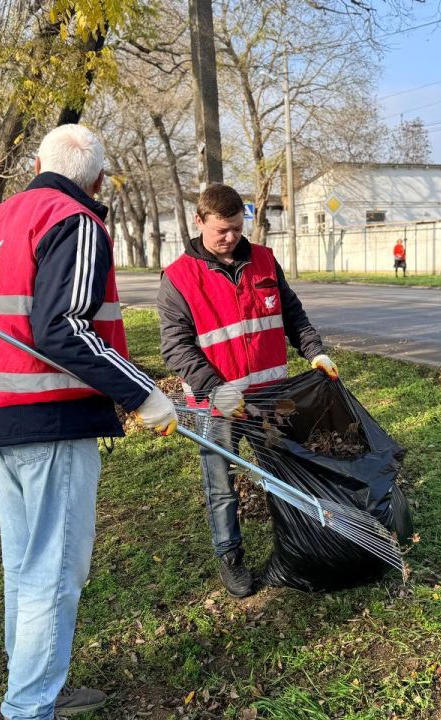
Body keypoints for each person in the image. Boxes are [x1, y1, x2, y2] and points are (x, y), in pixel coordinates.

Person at [0, 124, 178, 720]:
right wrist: (144, 395)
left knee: (27, 565)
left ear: (36, 161)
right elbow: (64, 328)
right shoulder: (76, 220)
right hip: (47, 419)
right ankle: (30, 706)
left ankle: (35, 686)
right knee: (55, 570)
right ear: (96, 179)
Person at [157, 183, 337, 598]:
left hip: (271, 399)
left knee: (284, 475)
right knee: (220, 483)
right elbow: (176, 347)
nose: (232, 238)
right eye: (222, 230)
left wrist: (315, 351)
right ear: (199, 222)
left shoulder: (265, 261)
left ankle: (296, 548)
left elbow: (292, 313)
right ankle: (230, 557)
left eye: (238, 228)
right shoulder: (179, 278)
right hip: (216, 406)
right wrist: (216, 388)